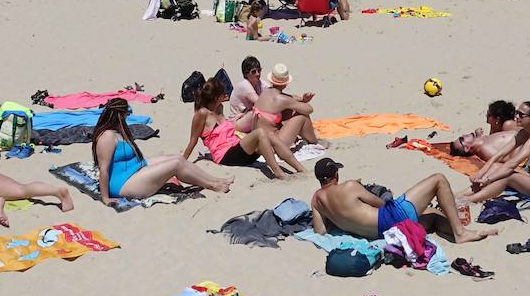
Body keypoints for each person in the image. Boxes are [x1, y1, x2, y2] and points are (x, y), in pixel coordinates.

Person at [310, 158, 494, 244]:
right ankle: (460, 233)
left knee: (432, 216)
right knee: (438, 179)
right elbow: (381, 204)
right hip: (390, 219)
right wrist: (360, 192)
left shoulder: (316, 200)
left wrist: (344, 217)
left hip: (378, 234)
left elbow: (320, 230)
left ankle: (456, 228)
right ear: (336, 174)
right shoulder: (349, 186)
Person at [93, 99, 232, 204]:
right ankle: (213, 185)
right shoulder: (107, 137)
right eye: (126, 114)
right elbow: (103, 169)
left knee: (178, 158)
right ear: (119, 115)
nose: (128, 117)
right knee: (175, 165)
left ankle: (215, 180)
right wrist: (105, 198)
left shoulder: (117, 131)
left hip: (135, 169)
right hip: (122, 183)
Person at [181, 80, 304, 179]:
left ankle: (300, 168)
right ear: (215, 97)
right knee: (260, 133)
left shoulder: (220, 108)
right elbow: (193, 140)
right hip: (225, 155)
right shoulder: (202, 114)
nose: (225, 96)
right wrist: (181, 162)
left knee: (270, 135)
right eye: (222, 94)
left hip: (239, 149)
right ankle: (278, 172)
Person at [242, 63, 326, 147]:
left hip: (259, 141)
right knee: (302, 117)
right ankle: (315, 142)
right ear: (286, 83)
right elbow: (309, 109)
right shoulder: (282, 100)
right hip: (272, 143)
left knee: (288, 110)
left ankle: (309, 138)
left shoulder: (266, 92)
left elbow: (289, 98)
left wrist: (301, 99)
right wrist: (302, 102)